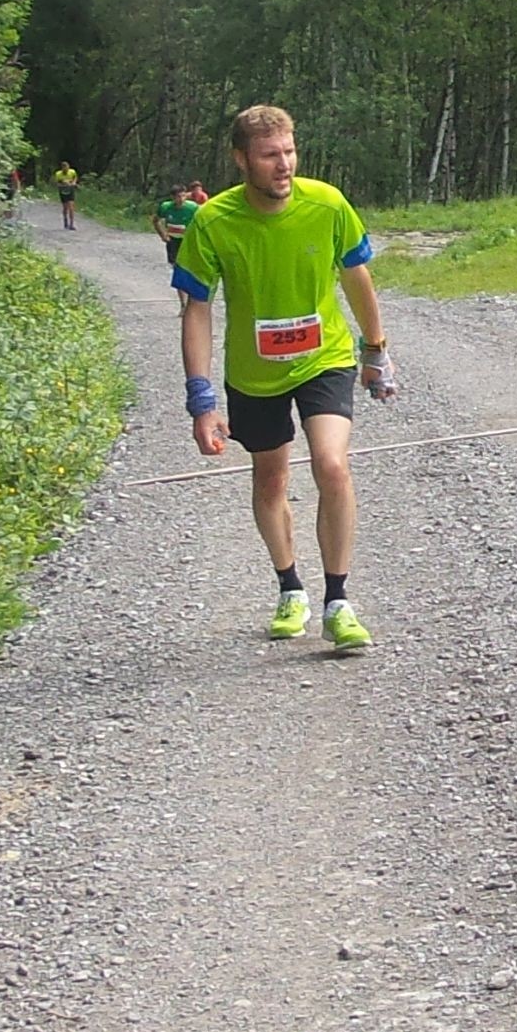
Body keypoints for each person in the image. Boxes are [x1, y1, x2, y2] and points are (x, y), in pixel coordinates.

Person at [174, 105, 397, 653]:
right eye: (271, 155)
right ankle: (290, 587)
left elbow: (356, 275)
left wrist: (376, 351)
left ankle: (338, 601)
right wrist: (201, 398)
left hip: (324, 358)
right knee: (271, 480)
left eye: (290, 151)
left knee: (331, 463)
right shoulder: (214, 221)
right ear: (241, 159)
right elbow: (197, 308)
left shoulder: (326, 203)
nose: (284, 165)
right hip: (254, 373)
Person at [153, 184, 199, 310]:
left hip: (188, 242)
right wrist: (162, 234)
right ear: (173, 198)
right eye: (178, 197)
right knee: (178, 270)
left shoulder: (193, 208)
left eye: (184, 196)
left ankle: (192, 300)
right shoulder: (165, 207)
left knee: (190, 270)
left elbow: (203, 221)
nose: (181, 199)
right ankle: (183, 304)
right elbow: (156, 220)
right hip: (173, 242)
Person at [53, 162, 79, 230]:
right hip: (63, 191)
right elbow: (57, 184)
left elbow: (75, 178)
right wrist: (64, 184)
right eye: (64, 169)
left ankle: (72, 224)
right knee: (65, 208)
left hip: (71, 191)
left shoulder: (72, 172)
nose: (66, 170)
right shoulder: (58, 174)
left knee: (71, 207)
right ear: (62, 169)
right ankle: (65, 220)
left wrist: (73, 183)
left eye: (67, 168)